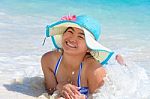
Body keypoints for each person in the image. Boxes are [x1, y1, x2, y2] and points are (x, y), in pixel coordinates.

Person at [41, 15, 125, 99]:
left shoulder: (94, 71)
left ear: (89, 48)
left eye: (81, 36)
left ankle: (121, 63)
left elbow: (101, 96)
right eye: (70, 31)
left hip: (102, 69)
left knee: (120, 71)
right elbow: (50, 90)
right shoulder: (48, 60)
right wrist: (60, 86)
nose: (72, 39)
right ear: (63, 35)